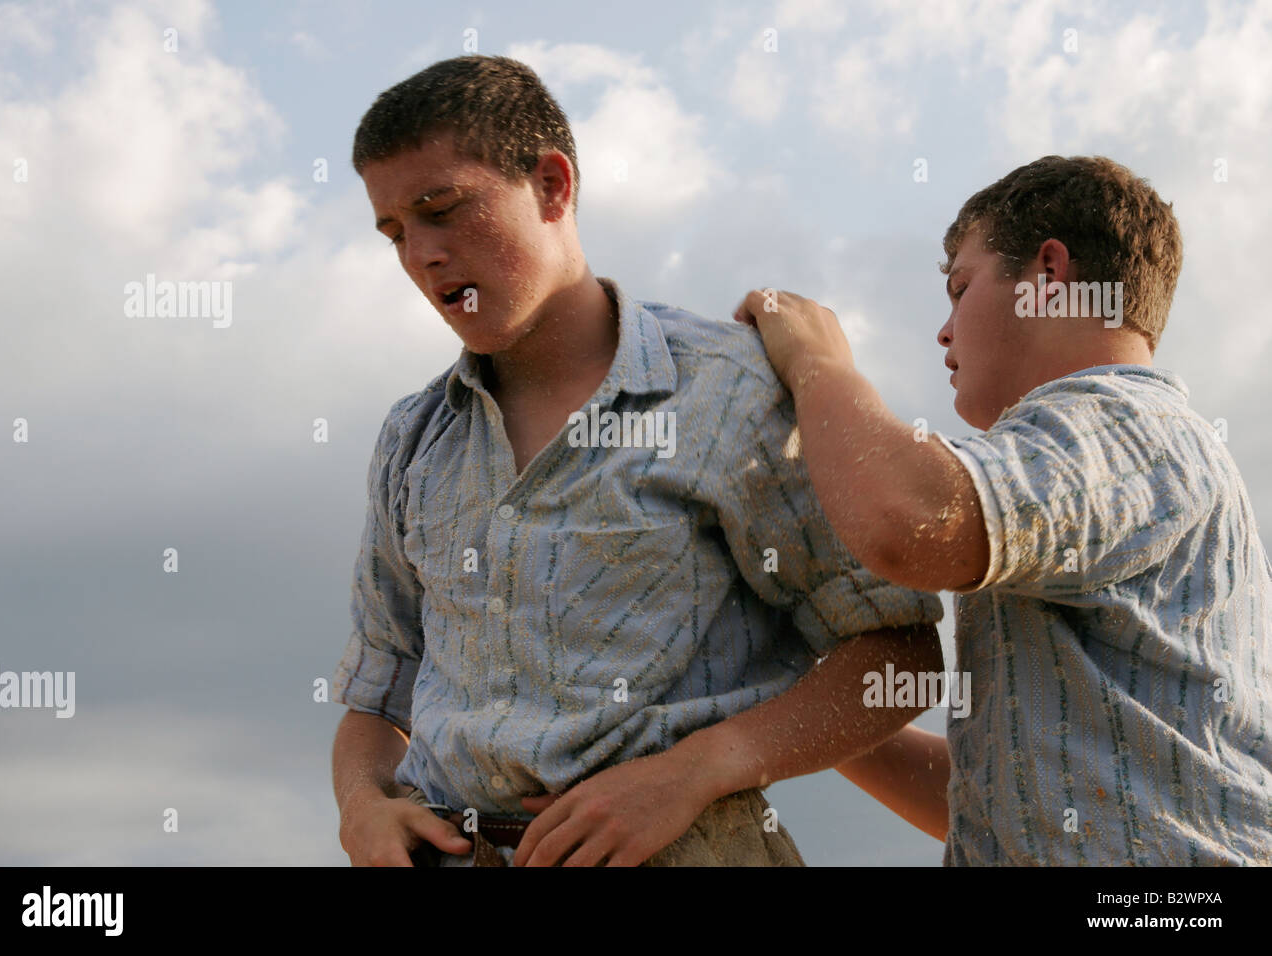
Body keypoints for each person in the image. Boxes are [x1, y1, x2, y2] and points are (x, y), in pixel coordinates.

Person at [330, 55, 945, 867]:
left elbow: (898, 659)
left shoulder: (730, 390)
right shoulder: (413, 438)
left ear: (553, 185)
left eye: (441, 209)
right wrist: (361, 810)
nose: (420, 254)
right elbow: (380, 691)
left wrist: (697, 771)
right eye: (394, 232)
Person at [736, 155, 1272, 865]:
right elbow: (997, 798)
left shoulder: (1126, 422)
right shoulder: (1130, 453)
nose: (944, 330)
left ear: (1048, 276)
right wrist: (789, 706)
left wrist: (819, 363)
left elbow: (915, 523)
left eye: (961, 288)